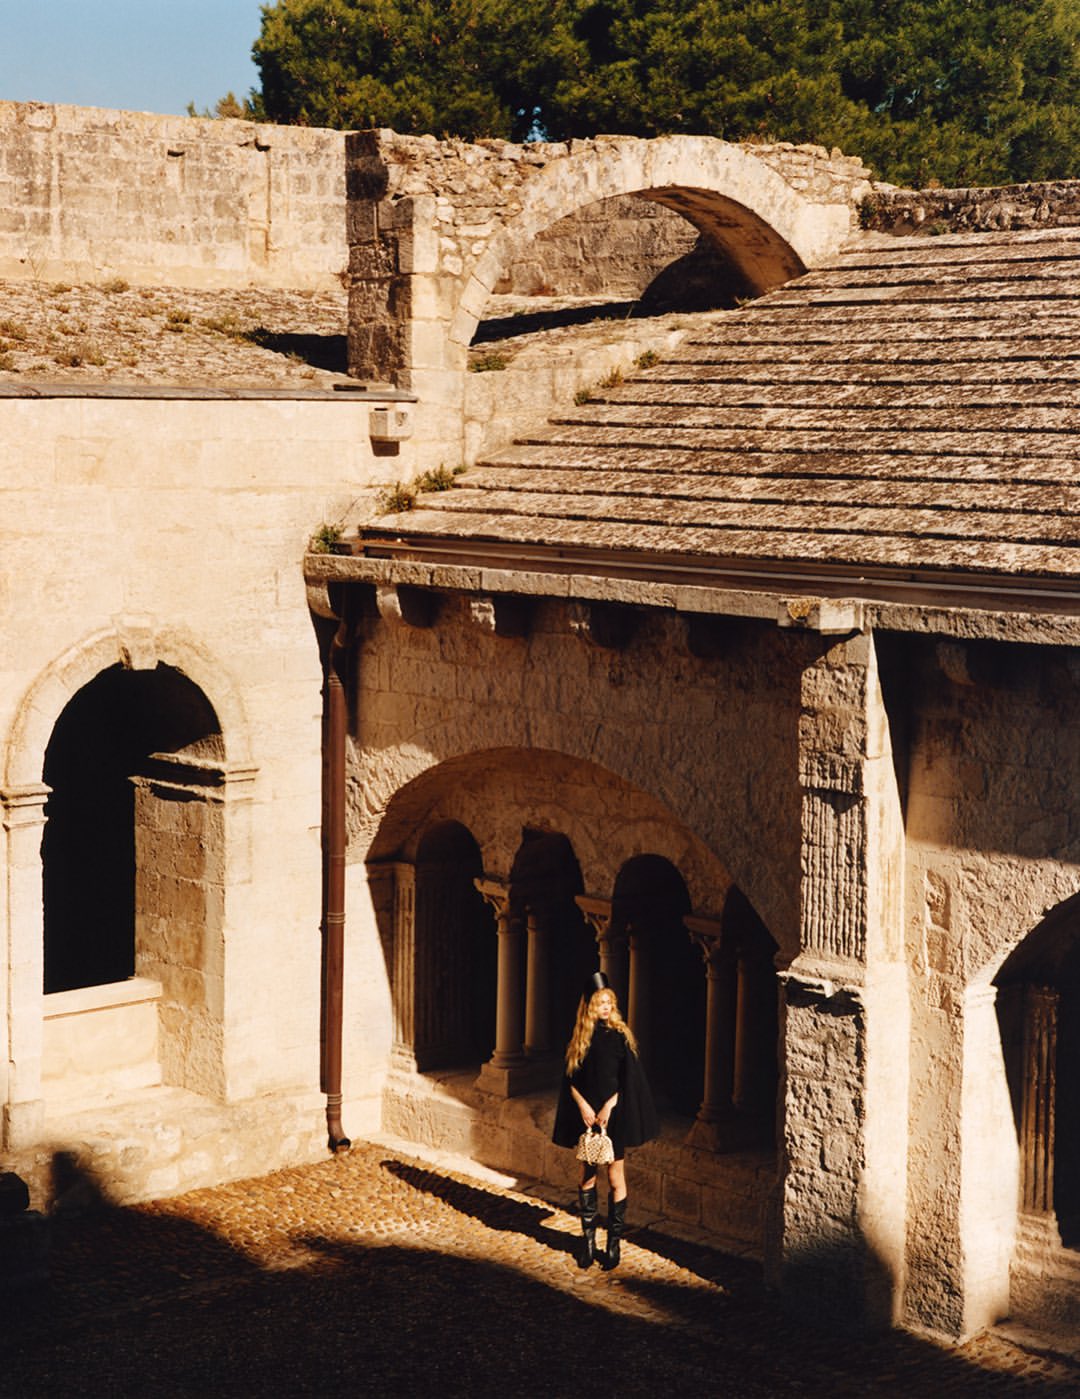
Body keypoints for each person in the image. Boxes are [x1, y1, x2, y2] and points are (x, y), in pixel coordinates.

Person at [552, 971, 658, 1269]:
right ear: (590, 1006)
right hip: (587, 1117)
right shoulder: (580, 1040)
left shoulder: (620, 1036)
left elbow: (629, 1081)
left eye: (610, 1002)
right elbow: (570, 1080)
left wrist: (609, 1107)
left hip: (614, 1116)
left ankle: (613, 1242)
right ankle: (588, 1242)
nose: (607, 1007)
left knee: (614, 1177)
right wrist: (584, 1108)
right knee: (587, 1175)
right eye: (601, 1003)